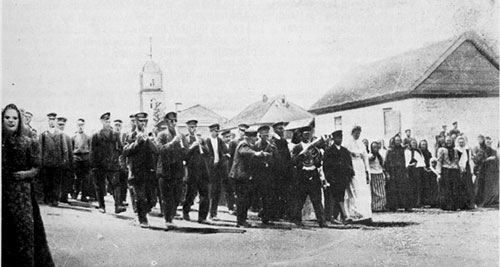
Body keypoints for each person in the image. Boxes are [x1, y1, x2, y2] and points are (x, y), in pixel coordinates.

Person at [2, 103, 55, 267]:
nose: (11, 121)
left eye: (15, 118)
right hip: (2, 193)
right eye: (7, 117)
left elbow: (37, 167)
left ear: (19, 121)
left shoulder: (28, 142)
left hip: (21, 195)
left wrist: (25, 174)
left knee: (23, 234)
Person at [123, 112, 158, 227]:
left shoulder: (151, 134)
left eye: (144, 121)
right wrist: (137, 142)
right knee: (141, 197)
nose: (143, 123)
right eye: (140, 121)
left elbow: (156, 150)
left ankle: (141, 213)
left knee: (152, 199)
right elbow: (126, 151)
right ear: (136, 122)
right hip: (136, 171)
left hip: (149, 171)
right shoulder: (131, 135)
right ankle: (142, 219)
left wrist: (148, 140)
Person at [229, 129, 270, 227]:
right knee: (242, 199)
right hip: (239, 177)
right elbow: (246, 152)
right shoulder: (243, 144)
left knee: (246, 198)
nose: (256, 138)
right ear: (248, 137)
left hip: (244, 177)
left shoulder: (249, 145)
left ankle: (242, 219)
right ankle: (240, 221)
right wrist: (257, 153)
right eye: (254, 137)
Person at [291, 126, 327, 227]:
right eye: (305, 135)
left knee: (317, 199)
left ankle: (322, 221)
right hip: (302, 174)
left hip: (313, 173)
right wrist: (302, 156)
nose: (307, 136)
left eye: (309, 134)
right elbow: (293, 161)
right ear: (301, 135)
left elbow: (319, 162)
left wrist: (315, 160)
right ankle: (297, 220)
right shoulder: (297, 147)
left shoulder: (315, 148)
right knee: (300, 199)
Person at [156, 111, 188, 227]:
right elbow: (159, 150)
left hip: (177, 170)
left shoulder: (182, 136)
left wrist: (182, 146)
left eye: (175, 121)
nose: (174, 123)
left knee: (177, 196)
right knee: (167, 197)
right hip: (166, 170)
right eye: (171, 121)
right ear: (166, 122)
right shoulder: (162, 135)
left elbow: (186, 153)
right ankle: (168, 220)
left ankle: (172, 216)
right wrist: (173, 142)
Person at [90, 112, 126, 214]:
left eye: (109, 121)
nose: (108, 123)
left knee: (116, 185)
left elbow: (121, 147)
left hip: (112, 165)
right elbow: (92, 152)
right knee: (99, 186)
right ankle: (102, 206)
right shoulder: (96, 135)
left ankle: (118, 206)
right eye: (106, 121)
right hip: (99, 165)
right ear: (101, 122)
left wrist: (115, 157)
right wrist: (93, 166)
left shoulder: (115, 134)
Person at [182, 119, 211, 223]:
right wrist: (193, 146)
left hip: (203, 171)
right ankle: (185, 212)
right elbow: (184, 155)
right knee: (190, 194)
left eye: (194, 127)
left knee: (205, 195)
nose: (193, 129)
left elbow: (208, 153)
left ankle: (202, 217)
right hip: (192, 171)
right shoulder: (185, 139)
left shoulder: (202, 139)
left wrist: (201, 145)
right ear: (187, 128)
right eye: (191, 127)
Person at [323, 130, 354, 223]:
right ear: (333, 139)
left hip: (343, 178)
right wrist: (329, 178)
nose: (339, 140)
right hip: (333, 178)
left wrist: (349, 176)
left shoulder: (344, 151)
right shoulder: (329, 151)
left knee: (340, 196)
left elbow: (349, 164)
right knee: (334, 197)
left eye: (341, 138)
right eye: (337, 138)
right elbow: (326, 166)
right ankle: (336, 216)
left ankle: (339, 216)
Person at [343, 126, 372, 223]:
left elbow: (365, 158)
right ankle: (353, 213)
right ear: (352, 132)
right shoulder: (347, 142)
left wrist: (367, 171)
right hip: (352, 165)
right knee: (353, 189)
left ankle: (364, 212)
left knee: (362, 190)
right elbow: (345, 156)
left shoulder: (361, 144)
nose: (358, 135)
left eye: (359, 133)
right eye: (356, 133)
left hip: (360, 166)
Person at [254, 125, 279, 224]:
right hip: (260, 173)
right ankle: (263, 214)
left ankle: (266, 215)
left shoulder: (272, 144)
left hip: (270, 173)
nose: (266, 135)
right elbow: (254, 159)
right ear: (259, 135)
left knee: (269, 195)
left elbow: (277, 158)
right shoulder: (256, 145)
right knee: (262, 195)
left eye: (267, 133)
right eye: (263, 134)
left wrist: (273, 150)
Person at [39, 112, 65, 206]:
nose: (52, 122)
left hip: (57, 162)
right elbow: (40, 148)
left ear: (55, 121)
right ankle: (47, 198)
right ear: (48, 121)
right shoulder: (44, 134)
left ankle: (55, 199)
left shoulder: (60, 134)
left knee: (56, 182)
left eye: (53, 120)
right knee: (47, 181)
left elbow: (64, 148)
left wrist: (63, 160)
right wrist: (41, 161)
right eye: (50, 120)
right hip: (46, 162)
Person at [271, 121, 295, 220]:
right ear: (275, 130)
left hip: (285, 171)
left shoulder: (283, 141)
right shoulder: (273, 141)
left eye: (282, 128)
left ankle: (283, 213)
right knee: (276, 193)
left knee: (285, 193)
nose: (282, 130)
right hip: (276, 171)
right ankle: (276, 214)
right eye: (280, 128)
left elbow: (287, 157)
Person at [206, 123, 230, 221]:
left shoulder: (220, 141)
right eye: (215, 131)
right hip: (209, 169)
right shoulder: (206, 141)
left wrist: (225, 156)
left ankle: (213, 213)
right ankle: (207, 213)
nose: (217, 133)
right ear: (211, 131)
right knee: (209, 191)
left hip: (218, 169)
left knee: (216, 191)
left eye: (218, 131)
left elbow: (226, 150)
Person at [385, 135, 412, 211]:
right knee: (393, 189)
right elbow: (386, 162)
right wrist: (387, 173)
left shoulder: (401, 150)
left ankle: (406, 206)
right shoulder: (390, 150)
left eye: (399, 140)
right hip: (393, 172)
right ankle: (393, 206)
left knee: (403, 188)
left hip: (401, 171)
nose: (398, 142)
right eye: (397, 140)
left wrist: (405, 171)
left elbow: (403, 161)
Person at [473, 135, 499, 207]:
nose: (488, 144)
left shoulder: (494, 151)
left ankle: (490, 201)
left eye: (489, 142)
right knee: (480, 186)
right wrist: (487, 160)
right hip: (482, 171)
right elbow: (476, 161)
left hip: (491, 172)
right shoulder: (481, 151)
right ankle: (479, 201)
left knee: (490, 187)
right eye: (487, 142)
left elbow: (496, 161)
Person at [436, 137, 460, 211]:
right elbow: (439, 161)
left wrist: (458, 168)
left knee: (454, 188)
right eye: (447, 141)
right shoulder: (441, 150)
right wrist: (438, 173)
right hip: (445, 169)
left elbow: (456, 160)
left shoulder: (455, 150)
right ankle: (446, 205)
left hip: (454, 170)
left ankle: (453, 206)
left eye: (450, 141)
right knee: (446, 188)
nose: (448, 142)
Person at [72, 118, 92, 202]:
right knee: (76, 178)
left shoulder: (88, 137)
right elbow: (71, 149)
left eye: (82, 125)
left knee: (85, 178)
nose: (80, 127)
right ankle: (75, 193)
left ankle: (84, 195)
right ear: (76, 126)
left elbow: (90, 149)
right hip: (76, 159)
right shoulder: (73, 137)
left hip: (85, 159)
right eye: (79, 125)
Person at [56, 117, 74, 203]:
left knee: (65, 180)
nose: (61, 126)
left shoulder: (67, 137)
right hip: (56, 162)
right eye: (59, 125)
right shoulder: (54, 135)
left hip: (65, 163)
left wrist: (70, 163)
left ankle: (64, 197)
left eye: (63, 125)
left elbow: (70, 151)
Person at [455, 136, 475, 210]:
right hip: (459, 168)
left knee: (468, 185)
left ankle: (469, 204)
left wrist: (471, 170)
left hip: (467, 168)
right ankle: (461, 204)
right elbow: (456, 160)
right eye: (460, 142)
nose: (461, 143)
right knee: (460, 185)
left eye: (462, 142)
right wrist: (460, 167)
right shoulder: (456, 149)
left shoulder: (467, 149)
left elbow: (469, 160)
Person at [405, 138, 425, 208]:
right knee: (411, 187)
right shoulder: (407, 151)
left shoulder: (418, 151)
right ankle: (412, 203)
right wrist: (411, 165)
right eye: (413, 143)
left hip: (418, 170)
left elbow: (422, 160)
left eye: (415, 143)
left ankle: (418, 202)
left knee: (418, 186)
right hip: (411, 170)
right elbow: (406, 162)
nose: (414, 144)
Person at [114, 119, 129, 207]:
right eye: (116, 125)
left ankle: (122, 199)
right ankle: (118, 202)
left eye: (119, 125)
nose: (118, 127)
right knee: (116, 183)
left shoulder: (124, 136)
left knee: (123, 183)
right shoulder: (110, 136)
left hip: (123, 163)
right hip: (113, 163)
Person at [220, 129, 236, 214]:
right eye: (226, 137)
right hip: (222, 170)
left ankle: (231, 207)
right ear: (223, 138)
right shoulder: (220, 144)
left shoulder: (232, 144)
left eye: (229, 137)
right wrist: (224, 155)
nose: (228, 138)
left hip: (230, 170)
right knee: (225, 189)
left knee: (230, 190)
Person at [419, 140, 438, 207]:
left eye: (424, 144)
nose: (423, 146)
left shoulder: (428, 153)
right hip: (421, 170)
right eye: (422, 144)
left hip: (429, 170)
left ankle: (431, 201)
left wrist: (430, 168)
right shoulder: (419, 153)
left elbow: (430, 161)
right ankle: (422, 201)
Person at [369, 141, 387, 212]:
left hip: (379, 173)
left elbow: (382, 165)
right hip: (373, 174)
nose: (375, 149)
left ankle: (381, 205)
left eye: (376, 147)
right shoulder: (370, 156)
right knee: (375, 191)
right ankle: (375, 207)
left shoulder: (379, 156)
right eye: (374, 147)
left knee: (381, 191)